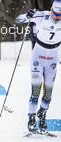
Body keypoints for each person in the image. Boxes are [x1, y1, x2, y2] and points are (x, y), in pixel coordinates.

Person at [18, 0, 61, 133]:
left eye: (60, 14)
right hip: (38, 57)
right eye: (55, 13)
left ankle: (42, 115)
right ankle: (31, 119)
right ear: (51, 10)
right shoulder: (42, 15)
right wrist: (28, 15)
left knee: (48, 93)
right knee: (36, 90)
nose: (57, 17)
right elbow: (19, 20)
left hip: (52, 60)